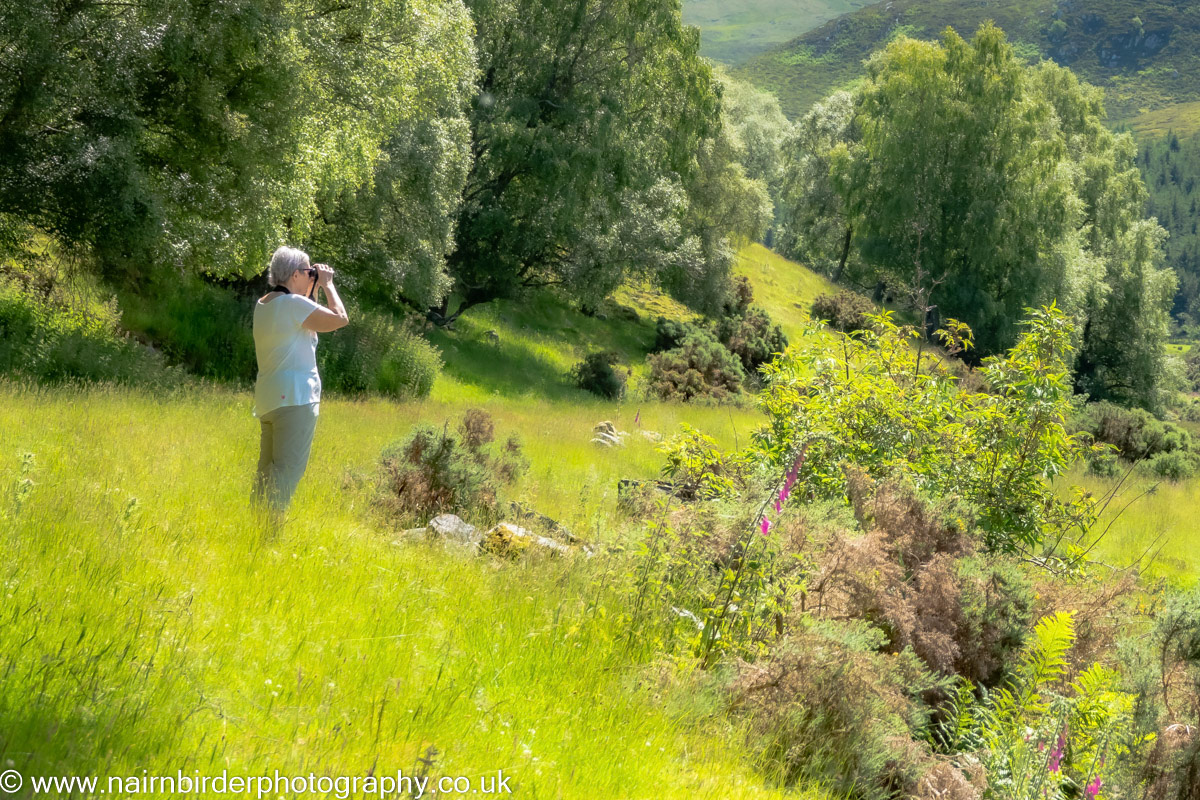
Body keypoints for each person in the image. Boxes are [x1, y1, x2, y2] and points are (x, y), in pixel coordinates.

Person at [252, 245, 349, 511]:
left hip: (269, 399)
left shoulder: (264, 304)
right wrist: (328, 285)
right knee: (287, 472)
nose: (311, 275)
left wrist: (312, 287)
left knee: (266, 472)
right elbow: (339, 319)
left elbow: (305, 317)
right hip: (295, 399)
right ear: (295, 274)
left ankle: (253, 529)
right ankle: (269, 537)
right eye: (308, 272)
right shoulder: (293, 304)